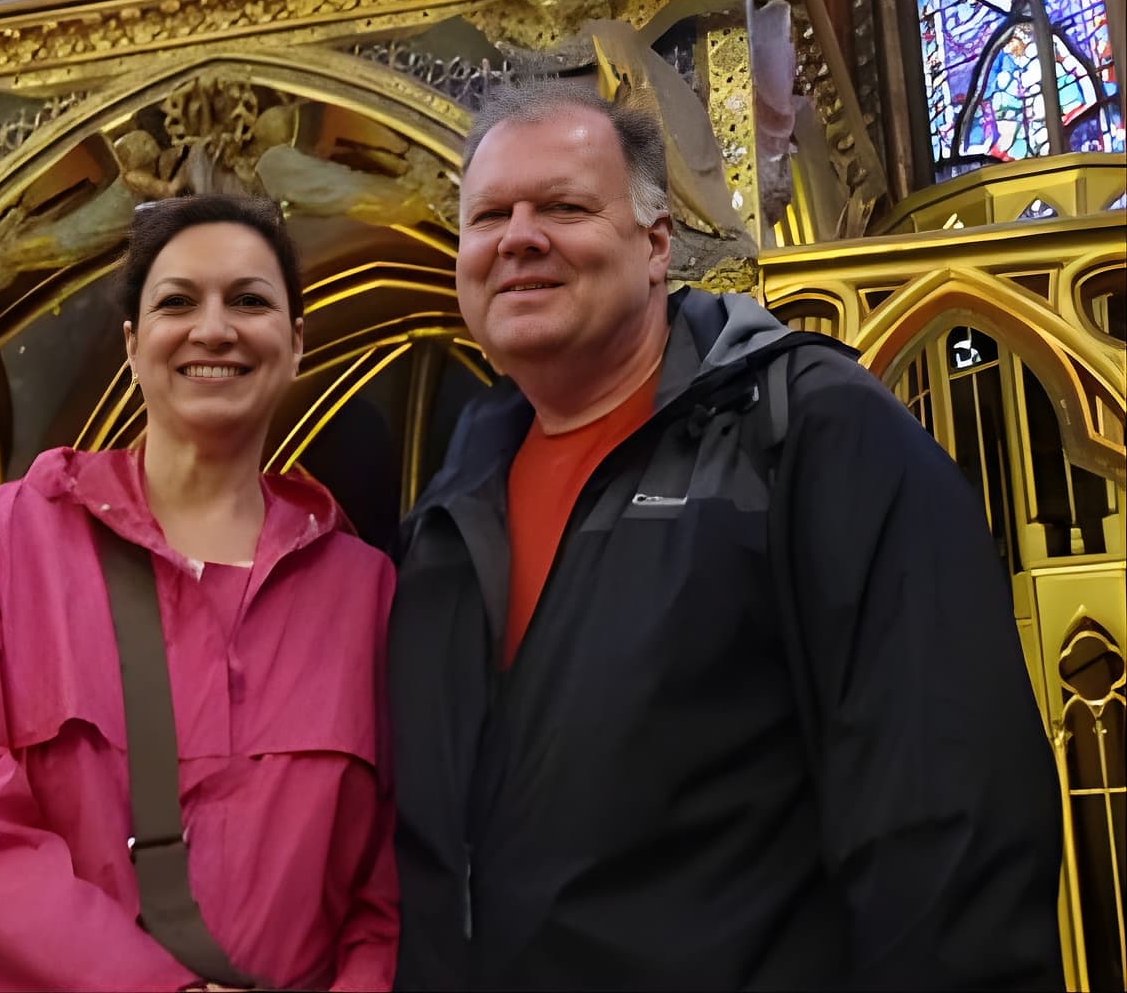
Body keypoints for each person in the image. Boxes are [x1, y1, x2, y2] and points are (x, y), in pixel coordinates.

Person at [389, 78, 1062, 991]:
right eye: (489, 217)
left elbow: (947, 812)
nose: (519, 238)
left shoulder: (806, 433)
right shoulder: (448, 507)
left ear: (657, 243)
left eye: (564, 206)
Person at [0, 194, 398, 991]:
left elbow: (382, 889)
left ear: (295, 344)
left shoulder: (364, 593)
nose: (214, 328)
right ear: (136, 347)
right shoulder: (4, 544)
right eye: (178, 302)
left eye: (250, 300)